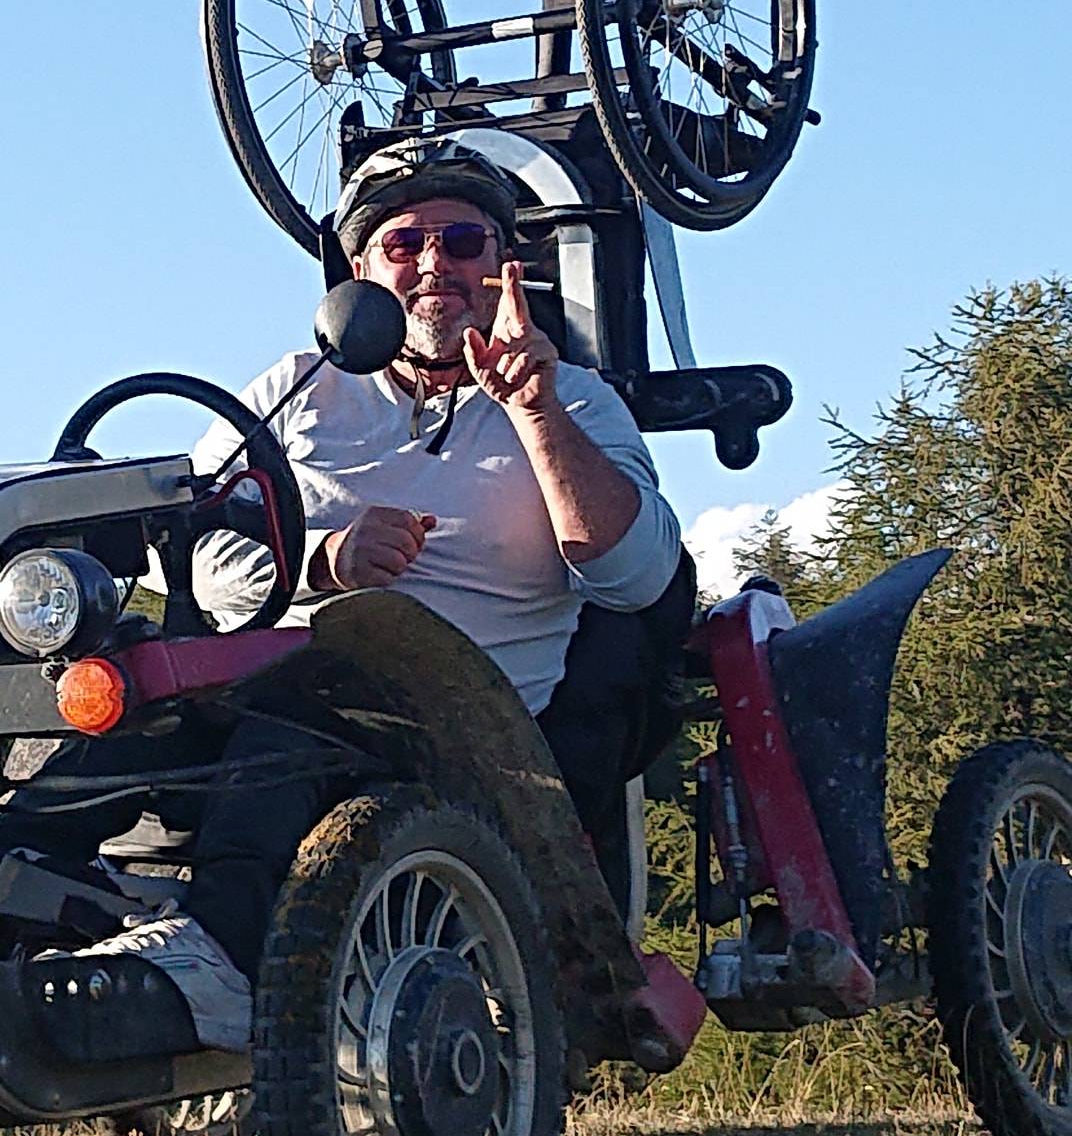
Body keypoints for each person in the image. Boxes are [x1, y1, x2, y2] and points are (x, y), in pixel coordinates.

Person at [56, 138, 687, 1051]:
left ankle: (221, 961)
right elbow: (172, 556)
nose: (436, 264)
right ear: (359, 273)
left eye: (464, 241)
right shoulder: (296, 392)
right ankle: (13, 918)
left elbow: (635, 576)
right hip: (276, 680)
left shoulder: (577, 401)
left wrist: (534, 411)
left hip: (480, 725)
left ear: (504, 266)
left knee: (315, 708)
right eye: (404, 245)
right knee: (98, 704)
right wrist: (320, 561)